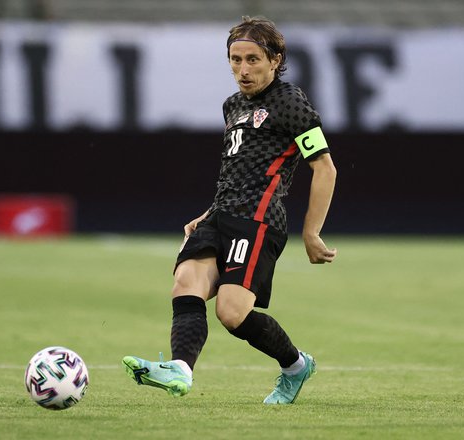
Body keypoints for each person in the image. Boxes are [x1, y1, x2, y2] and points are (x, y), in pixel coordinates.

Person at [122, 16, 337, 404]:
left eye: (253, 59)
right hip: (221, 214)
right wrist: (209, 212)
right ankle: (181, 370)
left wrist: (311, 232)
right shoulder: (233, 106)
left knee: (232, 314)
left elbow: (324, 167)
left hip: (258, 219)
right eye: (235, 60)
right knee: (186, 283)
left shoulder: (291, 103)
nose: (243, 70)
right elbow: (236, 171)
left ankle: (295, 366)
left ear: (275, 59)